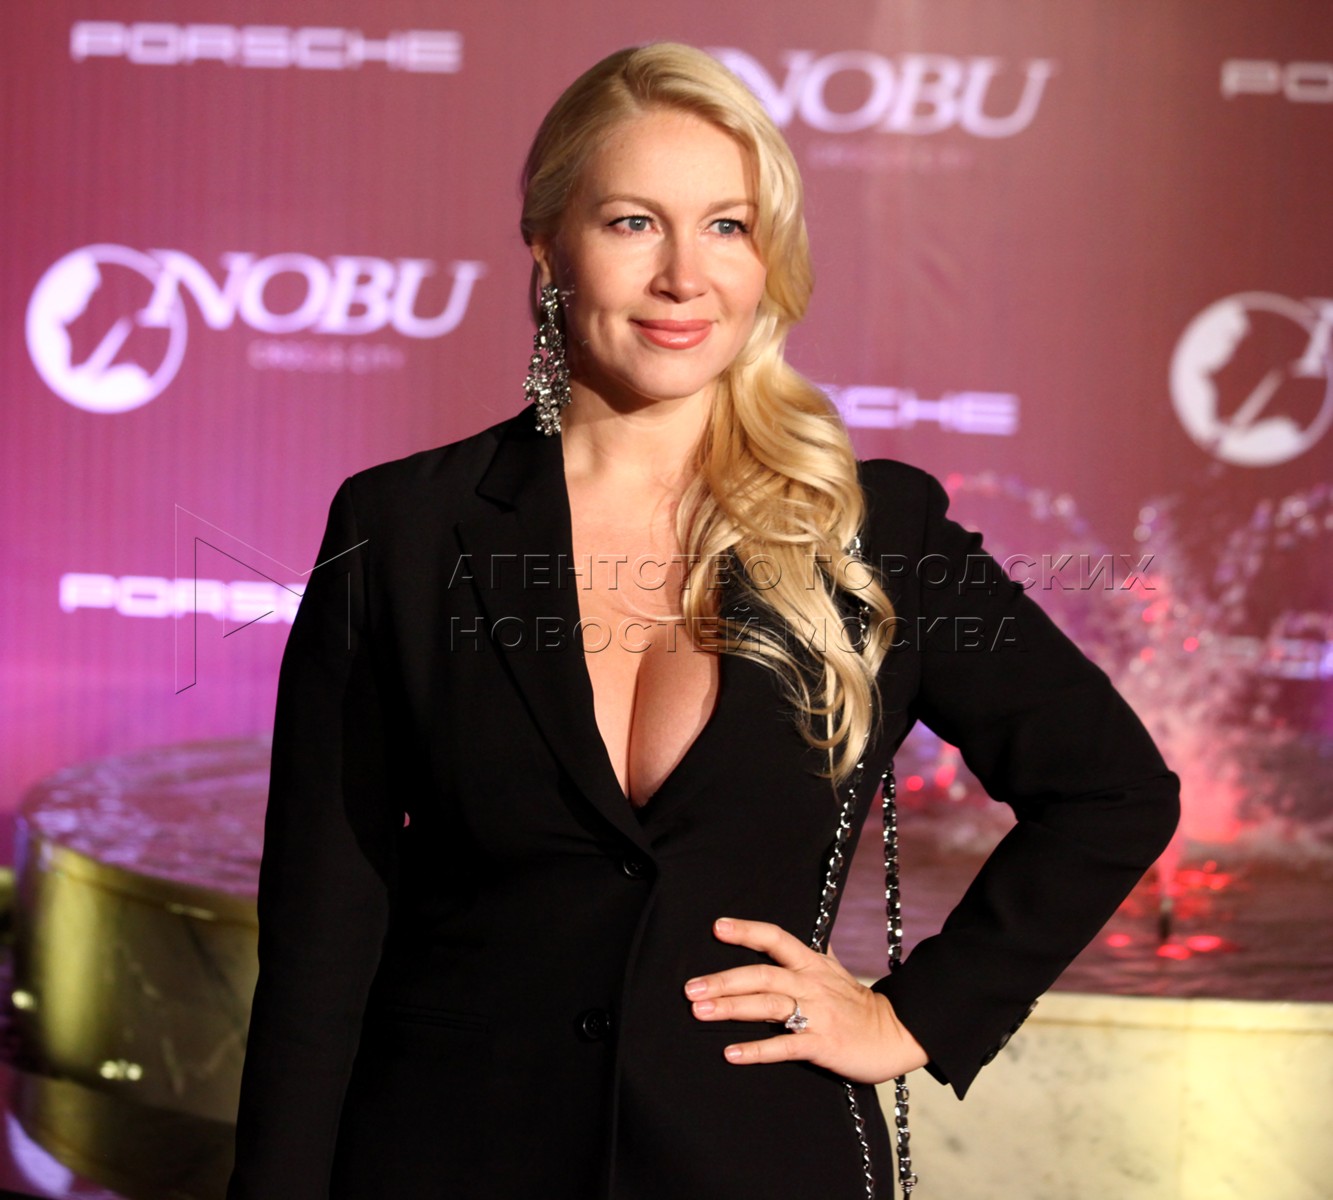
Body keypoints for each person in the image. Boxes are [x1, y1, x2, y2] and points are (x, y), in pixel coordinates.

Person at [228, 43, 1179, 1200]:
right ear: (549, 247)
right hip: (445, 1153)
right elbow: (324, 930)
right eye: (633, 223)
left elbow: (1112, 792)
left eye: (727, 226)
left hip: (758, 1156)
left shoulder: (877, 530)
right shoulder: (404, 527)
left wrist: (913, 1016)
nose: (685, 276)